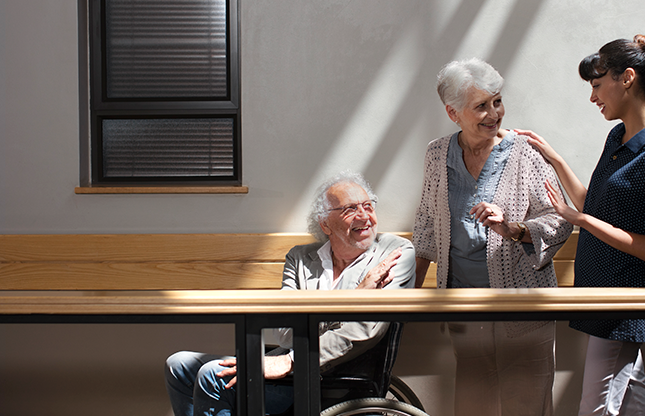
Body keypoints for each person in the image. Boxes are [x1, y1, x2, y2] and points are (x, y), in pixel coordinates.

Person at [516, 34, 645, 416]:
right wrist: (554, 158)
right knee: (634, 402)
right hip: (599, 292)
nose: (593, 97)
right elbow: (589, 205)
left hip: (622, 299)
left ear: (626, 78)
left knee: (596, 408)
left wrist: (581, 220)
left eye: (597, 85)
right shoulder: (618, 136)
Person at [164, 171, 416, 416]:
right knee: (179, 365)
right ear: (325, 224)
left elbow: (365, 329)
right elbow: (285, 332)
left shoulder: (395, 252)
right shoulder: (300, 258)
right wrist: (357, 296)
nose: (364, 216)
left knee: (212, 375)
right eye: (350, 209)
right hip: (289, 365)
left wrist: (292, 360)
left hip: (340, 378)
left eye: (368, 205)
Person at [413, 58, 573, 416]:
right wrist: (408, 300)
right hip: (464, 308)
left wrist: (514, 229)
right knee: (472, 408)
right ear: (453, 113)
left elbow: (560, 221)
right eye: (481, 106)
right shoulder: (437, 154)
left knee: (528, 407)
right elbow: (425, 225)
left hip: (524, 307)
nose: (494, 113)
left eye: (497, 101)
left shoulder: (526, 152)